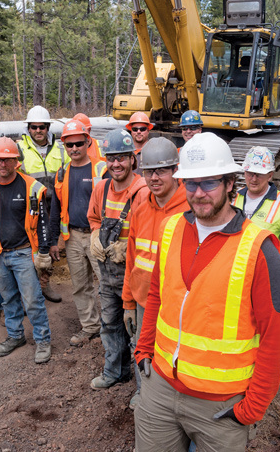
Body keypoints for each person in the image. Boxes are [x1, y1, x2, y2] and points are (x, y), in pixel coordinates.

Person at [133, 132, 280, 452]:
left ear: (230, 183)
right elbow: (157, 296)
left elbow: (275, 336)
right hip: (160, 388)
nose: (199, 193)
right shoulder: (171, 229)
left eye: (209, 182)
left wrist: (252, 408)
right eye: (191, 183)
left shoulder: (259, 250)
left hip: (220, 403)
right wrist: (144, 349)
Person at [0, 137, 53, 364]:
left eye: (8, 160)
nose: (3, 164)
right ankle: (15, 335)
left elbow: (43, 222)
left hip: (24, 253)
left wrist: (43, 252)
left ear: (16, 161)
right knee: (7, 299)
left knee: (32, 300)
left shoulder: (31, 187)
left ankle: (43, 340)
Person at [123, 137, 189, 410]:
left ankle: (179, 404)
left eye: (161, 171)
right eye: (149, 171)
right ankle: (146, 396)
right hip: (143, 301)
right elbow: (131, 261)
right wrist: (128, 303)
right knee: (142, 349)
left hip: (177, 304)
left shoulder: (190, 211)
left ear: (175, 170)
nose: (154, 178)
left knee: (178, 353)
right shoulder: (140, 211)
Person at [88, 129, 147, 390]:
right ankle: (115, 371)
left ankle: (143, 390)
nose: (116, 164)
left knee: (136, 330)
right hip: (107, 272)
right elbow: (94, 218)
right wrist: (94, 233)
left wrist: (128, 246)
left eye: (121, 157)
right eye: (111, 158)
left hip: (134, 275)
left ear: (132, 159)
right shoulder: (101, 188)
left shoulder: (142, 191)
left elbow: (152, 231)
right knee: (110, 324)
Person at [49, 120, 107, 347]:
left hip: (97, 236)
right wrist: (54, 241)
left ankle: (113, 327)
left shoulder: (101, 169)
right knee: (80, 285)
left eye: (78, 144)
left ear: (87, 142)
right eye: (69, 145)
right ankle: (90, 327)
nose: (74, 148)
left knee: (107, 284)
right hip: (72, 237)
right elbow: (56, 208)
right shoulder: (62, 173)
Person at [17, 105, 69, 302]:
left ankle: (44, 284)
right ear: (28, 128)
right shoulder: (20, 149)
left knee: (49, 244)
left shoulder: (61, 149)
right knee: (29, 248)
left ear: (48, 128)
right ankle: (28, 291)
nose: (38, 131)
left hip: (53, 205)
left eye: (42, 127)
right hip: (29, 206)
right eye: (34, 127)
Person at [233, 146, 280, 269]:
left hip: (264, 270)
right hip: (234, 267)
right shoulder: (233, 198)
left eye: (259, 174)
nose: (253, 179)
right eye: (250, 173)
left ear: (270, 175)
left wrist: (276, 271)